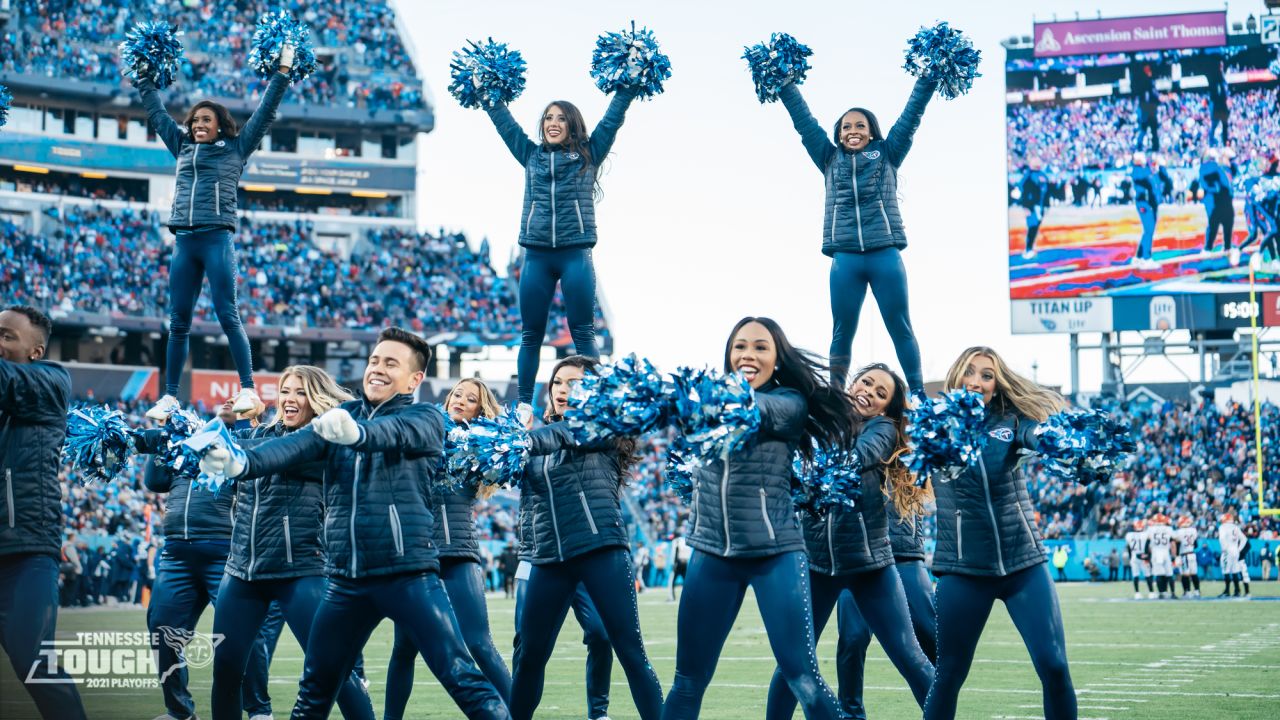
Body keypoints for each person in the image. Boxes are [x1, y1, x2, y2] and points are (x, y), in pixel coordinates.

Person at [198, 327, 508, 719]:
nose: (377, 369)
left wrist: (357, 434)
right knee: (315, 689)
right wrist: (241, 462)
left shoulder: (425, 416)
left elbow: (392, 433)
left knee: (460, 675)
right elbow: (292, 447)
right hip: (345, 582)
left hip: (407, 576)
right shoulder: (338, 419)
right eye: (374, 360)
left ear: (414, 379)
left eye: (390, 363)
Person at [662, 317, 857, 719]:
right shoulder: (707, 404)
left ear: (777, 357)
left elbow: (753, 409)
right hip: (712, 553)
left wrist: (695, 396)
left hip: (776, 555)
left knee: (802, 675)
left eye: (760, 347)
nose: (748, 355)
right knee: (687, 681)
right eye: (740, 346)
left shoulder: (788, 402)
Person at [200, 366, 374, 720]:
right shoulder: (259, 434)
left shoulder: (323, 444)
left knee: (333, 669)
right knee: (227, 672)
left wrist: (226, 442)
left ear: (317, 399)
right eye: (285, 391)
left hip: (301, 571)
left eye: (300, 392)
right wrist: (214, 427)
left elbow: (266, 453)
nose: (290, 399)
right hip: (243, 571)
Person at [136, 43, 297, 420]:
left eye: (205, 121)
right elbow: (157, 112)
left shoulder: (237, 149)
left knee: (228, 314)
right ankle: (171, 396)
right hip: (184, 242)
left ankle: (247, 388)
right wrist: (144, 77)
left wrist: (283, 71)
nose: (197, 125)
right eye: (194, 121)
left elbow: (265, 111)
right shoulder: (182, 148)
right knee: (178, 322)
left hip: (216, 239)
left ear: (220, 125)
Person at [765, 363, 934, 719]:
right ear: (854, 381)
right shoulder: (822, 418)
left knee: (910, 656)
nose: (869, 392)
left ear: (887, 408)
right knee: (793, 661)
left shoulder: (882, 428)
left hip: (869, 565)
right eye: (866, 382)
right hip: (816, 565)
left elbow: (860, 457)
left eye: (880, 393)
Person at [923, 346, 1078, 720]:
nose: (977, 380)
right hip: (963, 570)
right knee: (948, 675)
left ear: (997, 384)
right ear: (957, 376)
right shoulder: (932, 426)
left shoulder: (1011, 421)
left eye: (987, 375)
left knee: (1054, 665)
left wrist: (1056, 439)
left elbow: (1037, 434)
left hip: (1023, 564)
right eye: (970, 372)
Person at [510, 356, 664, 720]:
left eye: (574, 383)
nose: (563, 390)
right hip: (549, 557)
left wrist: (520, 439)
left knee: (629, 650)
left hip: (600, 549)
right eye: (558, 383)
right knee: (529, 655)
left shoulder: (599, 423)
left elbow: (562, 435)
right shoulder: (533, 436)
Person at [775, 71, 942, 390]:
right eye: (846, 126)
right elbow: (803, 121)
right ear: (838, 135)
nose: (853, 131)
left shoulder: (889, 153)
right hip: (845, 258)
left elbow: (912, 115)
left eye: (860, 125)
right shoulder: (827, 158)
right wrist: (784, 84)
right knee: (842, 331)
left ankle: (919, 395)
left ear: (871, 132)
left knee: (900, 326)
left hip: (885, 255)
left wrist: (928, 78)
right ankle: (836, 395)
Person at [483, 88, 640, 418]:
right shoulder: (529, 155)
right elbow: (504, 124)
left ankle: (598, 398)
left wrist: (627, 87)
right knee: (531, 334)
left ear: (573, 125)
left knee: (583, 331)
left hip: (575, 254)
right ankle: (526, 403)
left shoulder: (589, 154)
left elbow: (613, 119)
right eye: (548, 118)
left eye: (561, 118)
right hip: (536, 257)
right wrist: (488, 96)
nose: (553, 123)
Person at [137, 403, 281, 720]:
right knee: (162, 631)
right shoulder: (181, 453)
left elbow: (256, 459)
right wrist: (162, 438)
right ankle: (179, 711)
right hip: (176, 554)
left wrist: (243, 421)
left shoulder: (233, 447)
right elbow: (154, 481)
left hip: (225, 552)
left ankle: (259, 710)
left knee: (243, 633)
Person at [383, 378, 513, 718]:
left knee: (479, 645)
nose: (460, 400)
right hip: (419, 557)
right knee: (404, 649)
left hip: (458, 553)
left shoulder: (481, 445)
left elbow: (507, 457)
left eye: (470, 399)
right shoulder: (424, 432)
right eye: (457, 394)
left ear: (478, 409)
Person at [0, 306, 88, 720]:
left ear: (35, 352)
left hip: (24, 551)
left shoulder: (52, 382)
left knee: (35, 664)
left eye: (5, 336)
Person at [1198, 149, 1236, 260]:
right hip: (1212, 199)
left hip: (1224, 200)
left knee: (1228, 221)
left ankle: (1227, 246)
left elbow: (1232, 171)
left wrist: (1229, 160)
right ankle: (1207, 248)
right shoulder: (1207, 167)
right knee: (1214, 223)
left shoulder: (1223, 168)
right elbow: (1212, 179)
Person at [1132, 151, 1163, 270]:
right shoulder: (1138, 170)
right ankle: (1146, 258)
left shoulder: (1145, 170)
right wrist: (1152, 167)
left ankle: (1139, 257)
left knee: (1148, 230)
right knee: (1148, 230)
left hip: (1150, 202)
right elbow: (1147, 178)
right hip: (1144, 203)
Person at [1019, 158, 1052, 259]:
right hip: (1032, 205)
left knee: (1036, 226)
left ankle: (1031, 247)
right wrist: (1026, 207)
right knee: (1032, 226)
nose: (1038, 163)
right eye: (1036, 161)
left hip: (1040, 206)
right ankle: (1028, 249)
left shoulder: (1043, 175)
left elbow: (1047, 191)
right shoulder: (1028, 176)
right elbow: (1024, 192)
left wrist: (1047, 205)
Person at [1145, 514, 1176, 599]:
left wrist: (1146, 555)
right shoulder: (1168, 529)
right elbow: (1173, 541)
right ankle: (1172, 593)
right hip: (1165, 551)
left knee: (1159, 573)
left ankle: (1161, 592)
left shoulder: (1151, 529)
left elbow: (1147, 543)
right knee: (1169, 573)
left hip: (1156, 551)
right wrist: (1174, 555)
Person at [1218, 513, 1248, 598]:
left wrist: (1224, 548)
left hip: (1228, 550)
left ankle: (1227, 591)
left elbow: (1222, 538)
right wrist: (1239, 549)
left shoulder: (1223, 527)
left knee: (1226, 570)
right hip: (1235, 550)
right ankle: (1237, 590)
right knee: (1235, 570)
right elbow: (1244, 539)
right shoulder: (1235, 527)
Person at [1125, 519, 1153, 599]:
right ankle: (1151, 592)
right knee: (1147, 575)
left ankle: (1137, 593)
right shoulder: (1145, 534)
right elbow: (1148, 545)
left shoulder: (1129, 535)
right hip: (1143, 556)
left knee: (1135, 575)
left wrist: (1131, 557)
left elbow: (1129, 548)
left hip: (1134, 556)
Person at [1174, 515, 1201, 598]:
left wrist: (1177, 556)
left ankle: (1187, 591)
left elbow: (1178, 544)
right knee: (1194, 573)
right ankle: (1197, 591)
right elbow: (1196, 545)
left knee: (1185, 574)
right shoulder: (1194, 530)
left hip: (1184, 554)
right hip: (1192, 553)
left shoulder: (1179, 532)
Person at [668, 530, 691, 602]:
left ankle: (671, 597)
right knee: (686, 582)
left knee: (671, 581)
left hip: (678, 563)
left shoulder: (676, 541)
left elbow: (674, 553)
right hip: (685, 562)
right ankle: (690, 597)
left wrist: (673, 563)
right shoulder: (684, 540)